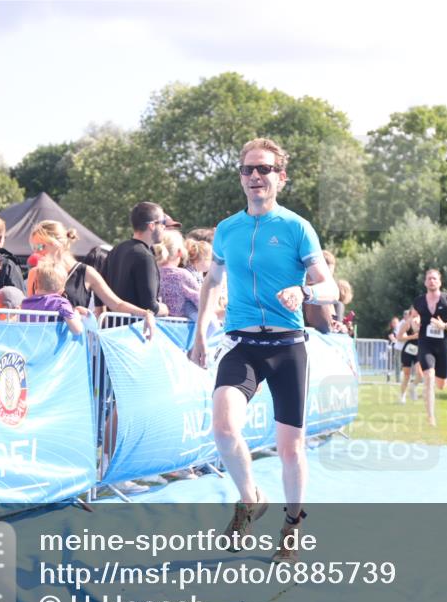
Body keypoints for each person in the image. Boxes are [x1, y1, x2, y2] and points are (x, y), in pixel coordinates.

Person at [188, 137, 338, 563]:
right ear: (241, 177)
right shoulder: (228, 230)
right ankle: (251, 496)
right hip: (242, 344)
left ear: (280, 177)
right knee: (223, 427)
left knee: (291, 448)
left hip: (288, 346)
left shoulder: (295, 227)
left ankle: (292, 524)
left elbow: (327, 286)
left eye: (265, 169)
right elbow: (212, 281)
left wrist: (303, 289)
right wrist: (200, 331)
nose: (256, 176)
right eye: (249, 169)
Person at [27, 220, 154, 337]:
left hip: (73, 350)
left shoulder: (86, 272)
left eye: (40, 247)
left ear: (57, 244)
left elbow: (116, 304)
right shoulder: (35, 273)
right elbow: (30, 312)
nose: (36, 253)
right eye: (34, 248)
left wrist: (146, 313)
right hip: (42, 345)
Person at [411, 268, 447, 427]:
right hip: (425, 344)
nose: (432, 281)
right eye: (429, 279)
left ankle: (438, 388)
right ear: (425, 282)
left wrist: (444, 325)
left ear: (440, 282)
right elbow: (413, 319)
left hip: (442, 345)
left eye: (434, 279)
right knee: (429, 377)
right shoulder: (418, 301)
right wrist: (415, 324)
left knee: (441, 384)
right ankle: (431, 417)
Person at [104, 202, 172, 316]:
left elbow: (100, 288)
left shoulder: (117, 249)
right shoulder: (145, 256)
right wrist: (165, 308)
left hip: (112, 327)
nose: (164, 226)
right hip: (134, 328)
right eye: (162, 222)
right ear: (151, 225)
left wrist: (101, 312)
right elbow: (149, 306)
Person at [22, 259, 85, 335]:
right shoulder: (61, 304)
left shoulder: (25, 304)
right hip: (51, 345)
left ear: (35, 285)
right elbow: (77, 330)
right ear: (62, 289)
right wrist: (77, 315)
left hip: (29, 344)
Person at [154, 229, 190, 317]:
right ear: (179, 252)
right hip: (177, 328)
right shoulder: (182, 275)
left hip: (152, 326)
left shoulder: (152, 273)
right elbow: (200, 300)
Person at [395, 308, 423, 403]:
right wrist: (412, 336)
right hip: (408, 350)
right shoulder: (407, 323)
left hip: (419, 350)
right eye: (416, 309)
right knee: (407, 375)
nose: (418, 311)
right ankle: (402, 395)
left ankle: (413, 386)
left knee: (420, 374)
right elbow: (399, 337)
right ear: (412, 312)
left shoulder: (423, 321)